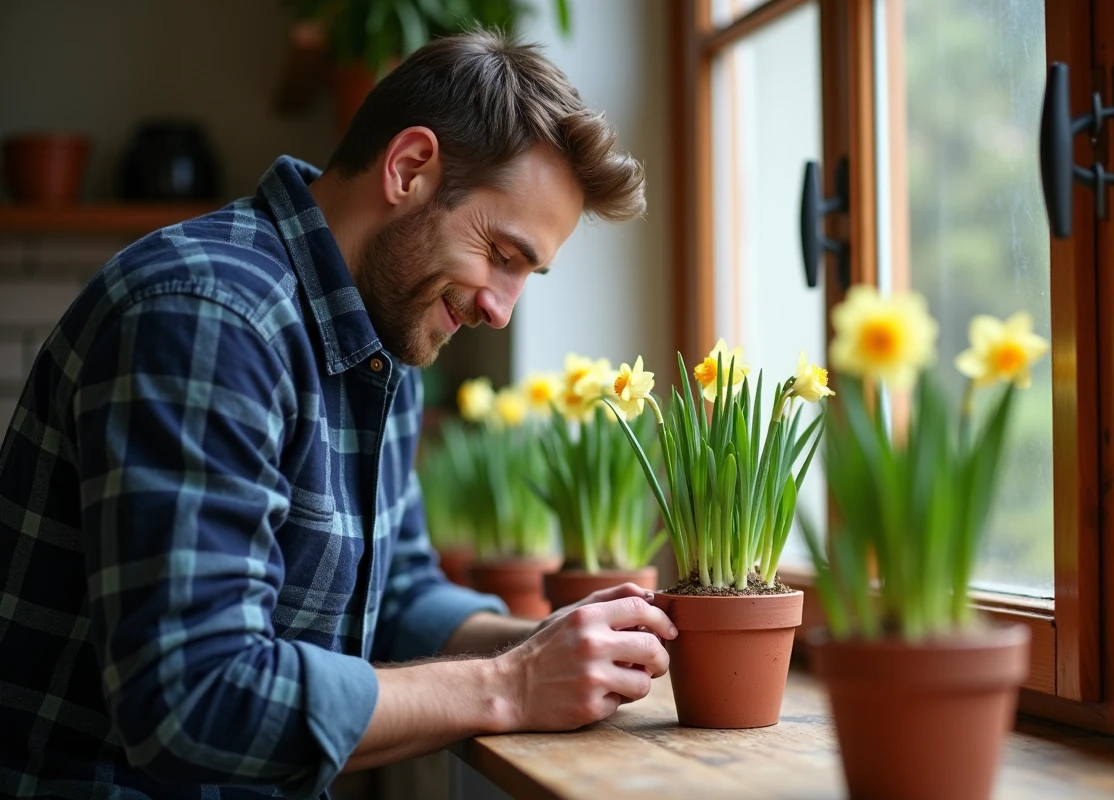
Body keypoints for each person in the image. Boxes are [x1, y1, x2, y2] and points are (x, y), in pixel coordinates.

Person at [0, 30, 676, 800]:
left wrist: (550, 644)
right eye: (502, 253)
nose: (499, 308)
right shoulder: (209, 316)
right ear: (410, 168)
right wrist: (512, 684)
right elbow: (196, 703)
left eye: (529, 274)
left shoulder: (387, 329)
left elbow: (396, 598)